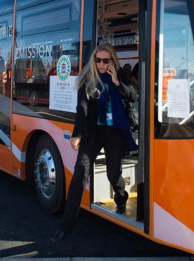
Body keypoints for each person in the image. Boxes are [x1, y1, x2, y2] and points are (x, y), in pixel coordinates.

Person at [51, 43, 137, 242]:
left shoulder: (120, 77)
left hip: (114, 132)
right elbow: (82, 108)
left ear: (112, 61)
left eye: (105, 60)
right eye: (98, 60)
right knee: (79, 175)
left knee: (113, 173)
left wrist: (117, 82)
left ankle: (121, 196)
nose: (101, 64)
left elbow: (133, 96)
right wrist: (77, 134)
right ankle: (66, 226)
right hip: (93, 133)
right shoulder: (88, 79)